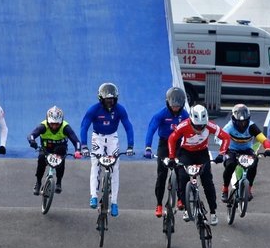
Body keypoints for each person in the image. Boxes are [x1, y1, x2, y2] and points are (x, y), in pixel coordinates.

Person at [166, 104, 229, 225]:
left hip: (202, 153)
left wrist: (221, 154)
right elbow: (171, 139)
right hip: (186, 153)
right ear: (191, 121)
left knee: (207, 182)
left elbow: (225, 137)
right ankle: (184, 206)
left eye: (202, 126)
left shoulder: (210, 125)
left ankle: (213, 212)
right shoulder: (183, 125)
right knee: (183, 177)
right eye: (197, 126)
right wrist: (172, 157)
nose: (200, 129)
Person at [79, 82, 135, 217]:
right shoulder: (93, 109)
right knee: (95, 165)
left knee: (115, 168)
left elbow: (128, 126)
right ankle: (93, 195)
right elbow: (84, 126)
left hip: (112, 138)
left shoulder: (120, 109)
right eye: (107, 100)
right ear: (101, 99)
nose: (110, 103)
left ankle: (114, 202)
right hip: (97, 138)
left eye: (112, 100)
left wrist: (130, 146)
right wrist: (84, 146)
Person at [144, 86, 190, 218]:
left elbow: (191, 130)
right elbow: (151, 129)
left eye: (178, 106)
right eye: (173, 105)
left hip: (179, 145)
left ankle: (181, 199)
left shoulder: (185, 115)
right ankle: (159, 204)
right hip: (164, 144)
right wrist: (148, 147)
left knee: (182, 172)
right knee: (161, 175)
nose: (175, 108)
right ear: (168, 102)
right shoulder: (161, 114)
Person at [219, 104, 270, 203]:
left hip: (247, 150)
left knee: (254, 162)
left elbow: (264, 140)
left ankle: (249, 189)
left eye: (244, 122)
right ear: (234, 120)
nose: (242, 124)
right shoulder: (229, 127)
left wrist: (268, 148)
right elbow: (220, 138)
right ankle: (225, 188)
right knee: (230, 164)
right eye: (240, 122)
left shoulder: (252, 126)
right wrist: (224, 149)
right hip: (232, 150)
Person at [27, 106, 82, 195]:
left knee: (61, 158)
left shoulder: (65, 127)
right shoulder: (43, 126)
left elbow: (76, 141)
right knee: (41, 159)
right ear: (48, 121)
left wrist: (78, 151)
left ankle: (58, 182)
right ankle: (38, 182)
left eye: (57, 124)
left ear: (61, 122)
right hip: (46, 149)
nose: (54, 126)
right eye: (52, 123)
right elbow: (31, 135)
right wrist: (32, 141)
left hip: (60, 149)